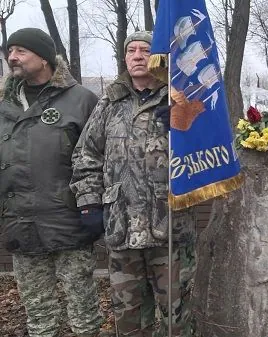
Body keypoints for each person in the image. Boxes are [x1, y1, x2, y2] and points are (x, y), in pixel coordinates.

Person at [70, 31, 197, 337]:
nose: (138, 56)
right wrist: (88, 203)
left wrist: (185, 124)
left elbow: (208, 154)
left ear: (158, 58)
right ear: (125, 58)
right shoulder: (109, 103)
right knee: (128, 321)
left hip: (169, 229)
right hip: (122, 230)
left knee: (177, 321)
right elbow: (86, 155)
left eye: (145, 50)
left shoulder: (180, 98)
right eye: (131, 50)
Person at [0, 28, 104, 337]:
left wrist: (93, 206)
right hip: (21, 223)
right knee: (38, 314)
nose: (11, 57)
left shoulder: (81, 100)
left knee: (83, 313)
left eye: (20, 50)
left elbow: (100, 156)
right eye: (9, 51)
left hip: (69, 222)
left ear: (44, 57)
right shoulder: (4, 104)